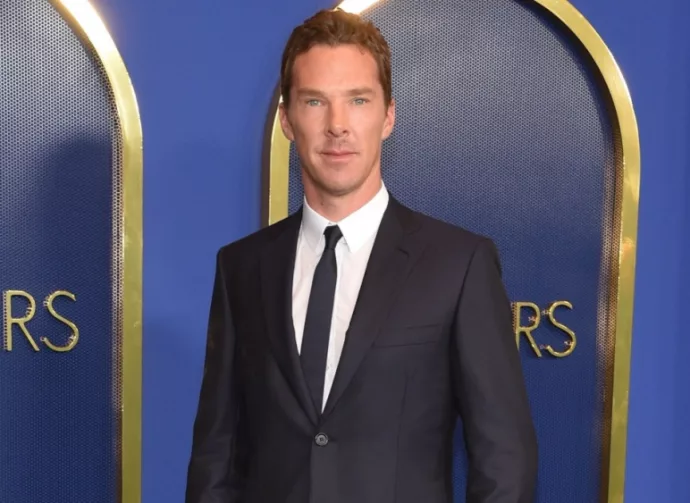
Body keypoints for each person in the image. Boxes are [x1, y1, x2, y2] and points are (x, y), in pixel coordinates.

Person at [185, 8, 537, 503]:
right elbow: (215, 457)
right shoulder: (241, 268)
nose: (337, 125)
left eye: (358, 100)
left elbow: (505, 461)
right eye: (314, 102)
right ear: (287, 119)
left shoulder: (459, 265)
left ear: (388, 115)